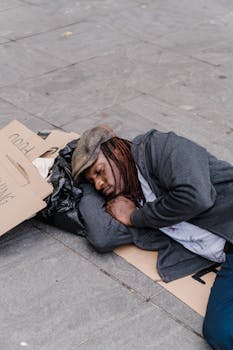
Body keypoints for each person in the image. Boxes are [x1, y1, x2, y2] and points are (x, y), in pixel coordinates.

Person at [71, 125, 233, 350]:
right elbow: (102, 237)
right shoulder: (131, 198)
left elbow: (196, 197)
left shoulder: (158, 147)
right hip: (228, 256)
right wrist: (80, 185)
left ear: (117, 152)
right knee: (221, 331)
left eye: (99, 171)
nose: (99, 184)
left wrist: (137, 217)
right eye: (92, 182)